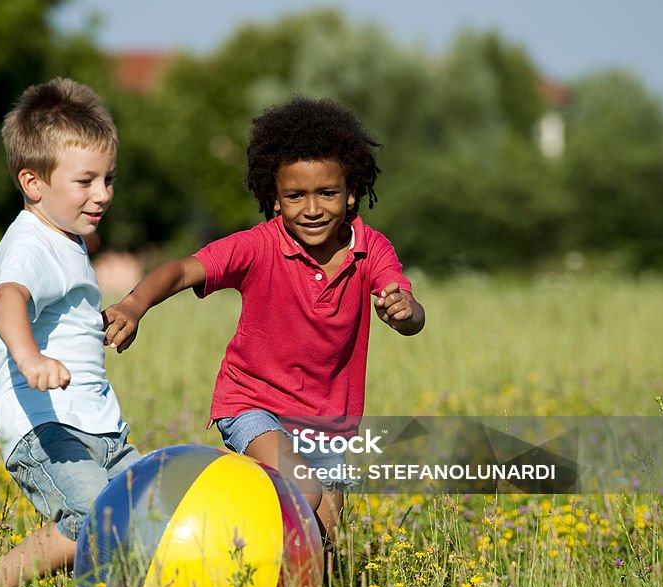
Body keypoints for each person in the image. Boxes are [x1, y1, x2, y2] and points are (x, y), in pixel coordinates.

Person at [103, 96, 425, 537]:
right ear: (275, 200)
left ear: (351, 193)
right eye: (296, 196)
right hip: (253, 405)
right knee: (303, 489)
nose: (312, 209)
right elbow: (182, 270)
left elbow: (409, 311)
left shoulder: (372, 249)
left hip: (330, 423)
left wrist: (404, 312)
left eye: (327, 193)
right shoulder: (257, 247)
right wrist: (133, 305)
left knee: (325, 534)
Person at [0, 78, 139, 587]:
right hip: (50, 427)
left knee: (145, 508)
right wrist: (31, 361)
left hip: (97, 424)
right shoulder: (30, 244)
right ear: (33, 182)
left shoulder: (64, 239)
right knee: (92, 520)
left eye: (108, 179)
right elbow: (7, 305)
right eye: (86, 181)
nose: (102, 194)